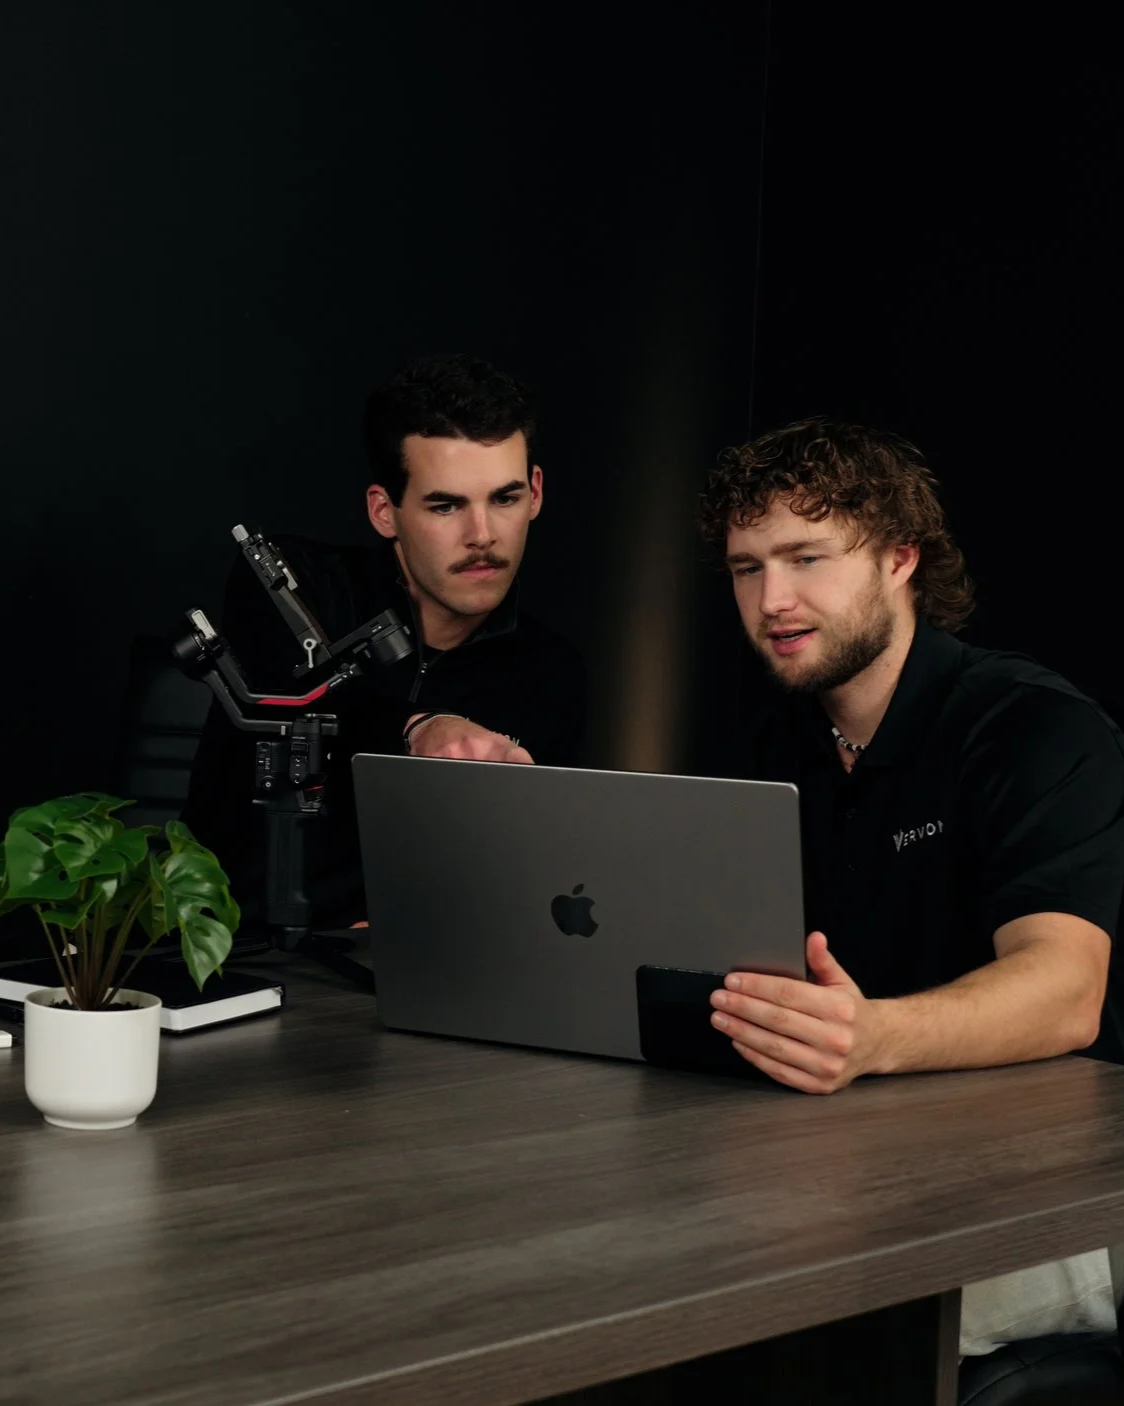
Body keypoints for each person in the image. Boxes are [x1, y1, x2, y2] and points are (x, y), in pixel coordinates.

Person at [697, 417, 1124, 1356]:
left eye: (807, 557)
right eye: (746, 567)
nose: (773, 598)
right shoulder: (774, 746)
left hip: (1049, 1189)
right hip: (852, 1170)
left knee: (789, 1334)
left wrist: (875, 1036)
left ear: (900, 557)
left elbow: (1067, 991)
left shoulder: (1034, 729)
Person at [183, 352, 586, 929]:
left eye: (505, 498)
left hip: (418, 972)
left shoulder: (553, 672)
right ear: (384, 511)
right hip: (229, 963)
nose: (483, 536)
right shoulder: (295, 588)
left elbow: (537, 869)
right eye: (445, 505)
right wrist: (421, 726)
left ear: (537, 494)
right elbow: (316, 695)